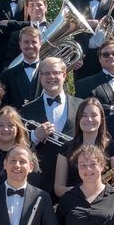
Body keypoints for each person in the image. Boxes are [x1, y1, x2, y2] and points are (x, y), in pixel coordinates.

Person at [20, 56, 76, 196]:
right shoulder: (27, 109)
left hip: (73, 175)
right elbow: (19, 144)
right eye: (45, 73)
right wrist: (34, 136)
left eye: (55, 72)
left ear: (64, 75)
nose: (51, 76)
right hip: (39, 177)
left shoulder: (80, 105)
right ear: (40, 77)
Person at [53, 98, 114, 198]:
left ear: (102, 119)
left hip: (104, 205)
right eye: (84, 115)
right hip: (75, 204)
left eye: (94, 115)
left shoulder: (113, 147)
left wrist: (99, 193)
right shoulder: (65, 148)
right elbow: (58, 188)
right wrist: (82, 192)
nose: (89, 119)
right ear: (78, 119)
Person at [0, 107, 39, 192]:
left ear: (18, 129)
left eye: (10, 125)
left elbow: (33, 191)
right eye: (1, 125)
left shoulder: (28, 157)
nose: (5, 129)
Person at [72, 0, 114, 78]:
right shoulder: (75, 3)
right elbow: (68, 29)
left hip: (106, 57)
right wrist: (84, 24)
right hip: (81, 58)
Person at [0, 26, 43, 108]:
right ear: (20, 45)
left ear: (40, 43)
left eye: (34, 42)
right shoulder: (7, 75)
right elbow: (2, 107)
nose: (30, 46)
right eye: (26, 42)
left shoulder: (51, 73)